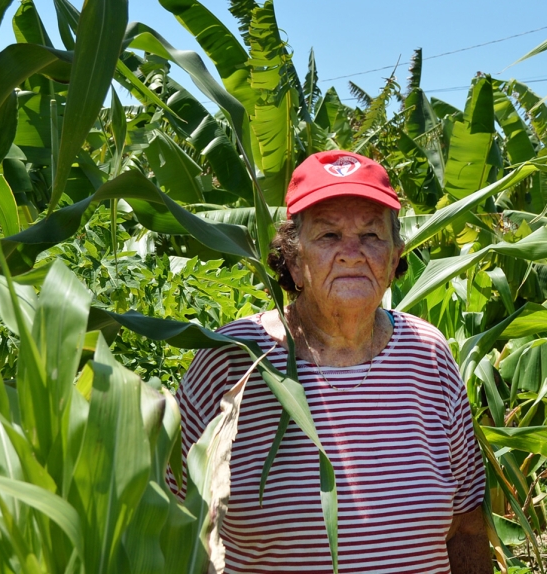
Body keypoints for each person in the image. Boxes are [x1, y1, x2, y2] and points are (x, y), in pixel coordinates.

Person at [170, 150, 490, 573]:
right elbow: (167, 517)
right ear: (294, 260)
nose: (352, 253)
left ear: (395, 258)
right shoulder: (235, 359)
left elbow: (466, 524)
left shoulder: (427, 354)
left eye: (373, 236)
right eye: (328, 236)